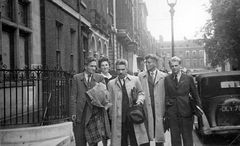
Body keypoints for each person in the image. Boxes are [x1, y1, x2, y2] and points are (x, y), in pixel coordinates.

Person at [69, 57, 110, 146]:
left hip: (93, 113)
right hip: (80, 113)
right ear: (85, 66)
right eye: (91, 66)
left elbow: (104, 95)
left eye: (95, 66)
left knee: (93, 141)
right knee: (80, 140)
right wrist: (73, 113)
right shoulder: (77, 78)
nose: (94, 68)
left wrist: (98, 87)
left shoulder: (99, 77)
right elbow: (73, 97)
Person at [108, 59, 149, 146]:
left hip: (133, 115)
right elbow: (109, 100)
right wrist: (111, 115)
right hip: (119, 117)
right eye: (118, 70)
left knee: (135, 139)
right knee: (121, 141)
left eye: (123, 69)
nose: (120, 72)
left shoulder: (135, 80)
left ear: (127, 69)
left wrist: (139, 100)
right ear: (116, 70)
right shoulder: (111, 83)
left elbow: (141, 92)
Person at [164, 56, 201, 146]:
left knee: (187, 139)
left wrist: (199, 110)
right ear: (170, 67)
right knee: (175, 140)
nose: (174, 68)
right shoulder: (167, 79)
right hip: (173, 115)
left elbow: (195, 95)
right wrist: (167, 113)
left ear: (180, 65)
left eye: (176, 65)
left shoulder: (188, 78)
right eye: (172, 66)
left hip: (186, 113)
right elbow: (166, 96)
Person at [138, 54, 167, 146]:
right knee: (145, 135)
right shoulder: (140, 76)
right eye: (146, 63)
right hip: (146, 109)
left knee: (159, 136)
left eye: (149, 62)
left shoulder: (164, 76)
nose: (146, 65)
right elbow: (138, 92)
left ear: (155, 63)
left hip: (159, 110)